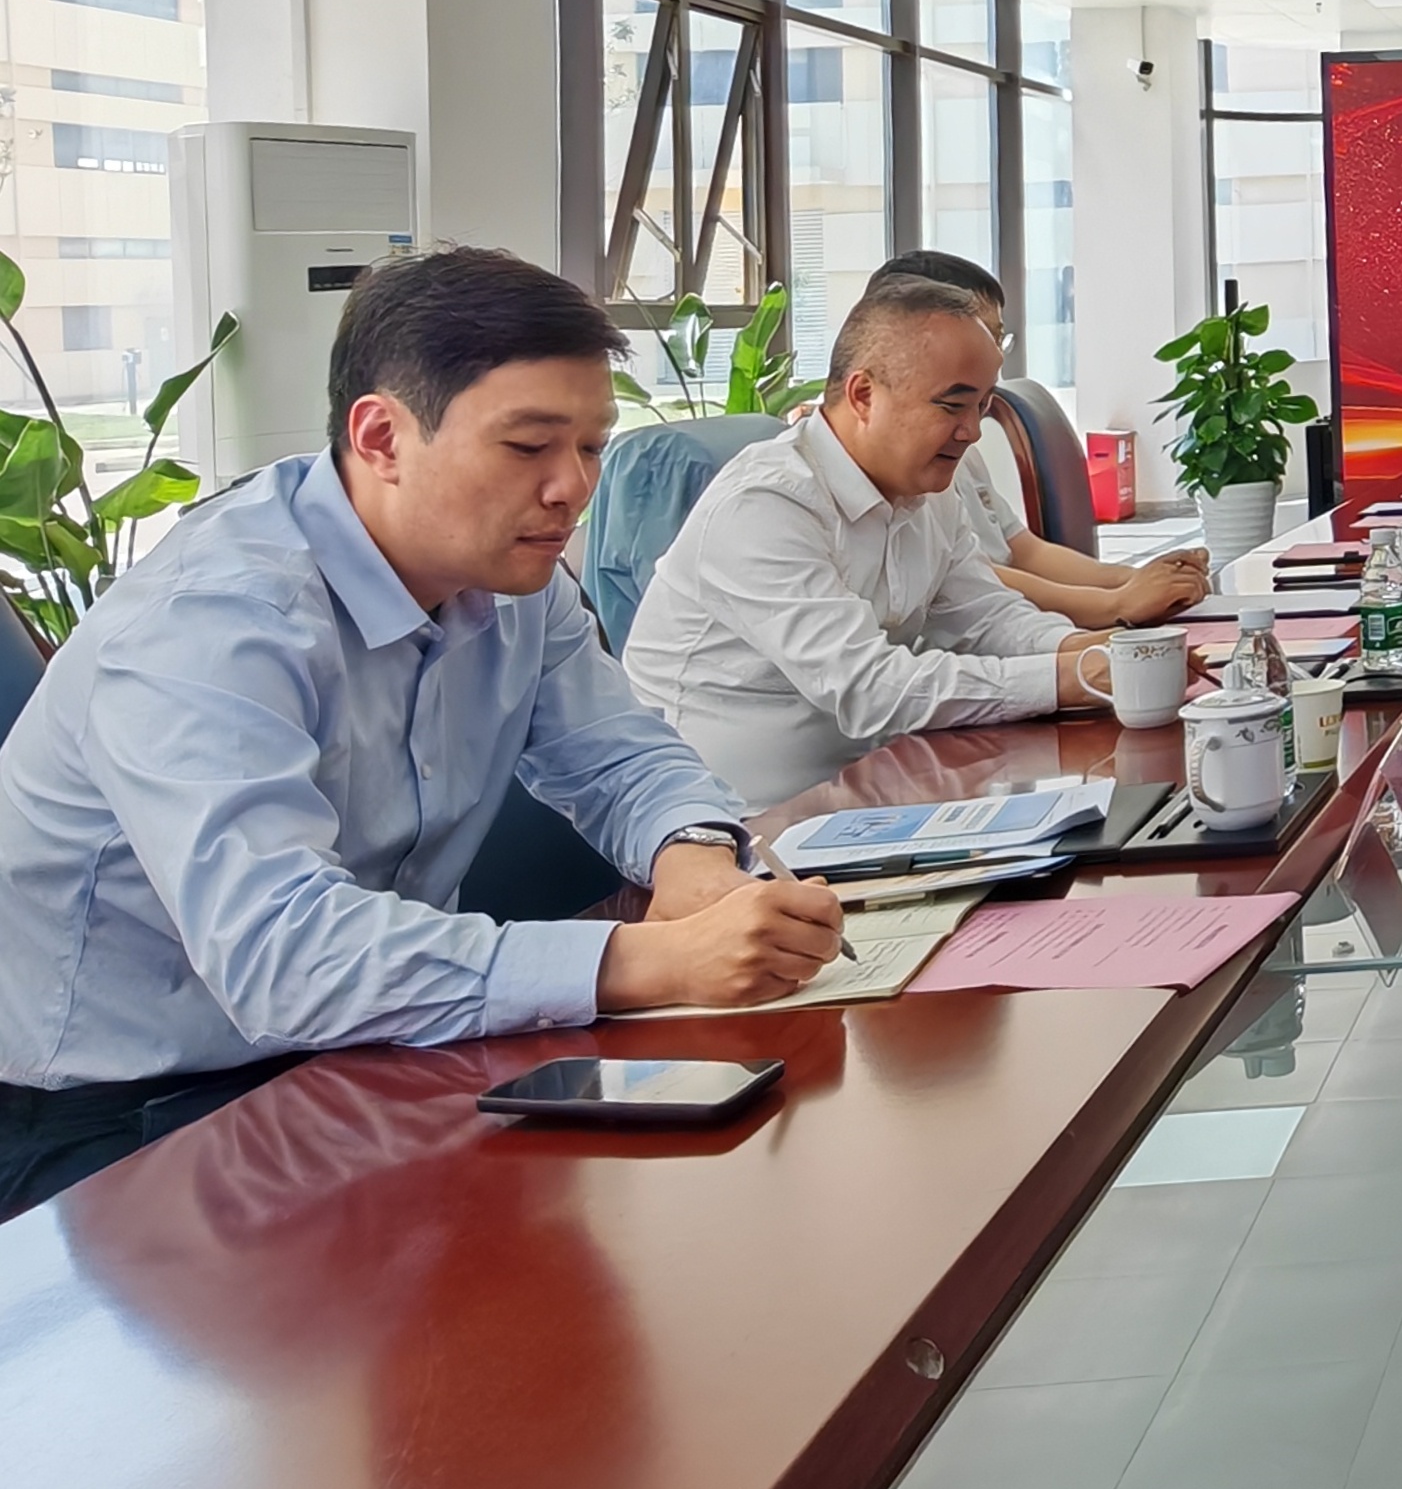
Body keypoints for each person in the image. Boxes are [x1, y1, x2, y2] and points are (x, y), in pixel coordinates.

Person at [0, 248, 845, 1217]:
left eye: (592, 446)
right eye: (529, 447)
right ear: (381, 437)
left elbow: (619, 753)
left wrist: (692, 856)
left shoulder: (515, 578)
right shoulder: (211, 622)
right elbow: (286, 955)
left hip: (368, 1044)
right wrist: (652, 961)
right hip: (120, 1124)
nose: (572, 488)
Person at [624, 276, 1150, 807]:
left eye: (983, 407)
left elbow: (986, 618)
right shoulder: (765, 505)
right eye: (952, 406)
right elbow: (870, 689)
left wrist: (1097, 652)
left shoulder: (927, 490)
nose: (972, 431)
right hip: (741, 822)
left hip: (876, 788)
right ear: (864, 395)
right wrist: (1071, 675)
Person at [870, 252, 1206, 630]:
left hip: (1016, 627)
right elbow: (977, 584)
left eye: (998, 339)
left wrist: (1134, 580)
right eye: (985, 336)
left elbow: (1022, 550)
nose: (993, 356)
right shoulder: (904, 472)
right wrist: (1115, 603)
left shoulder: (963, 450)